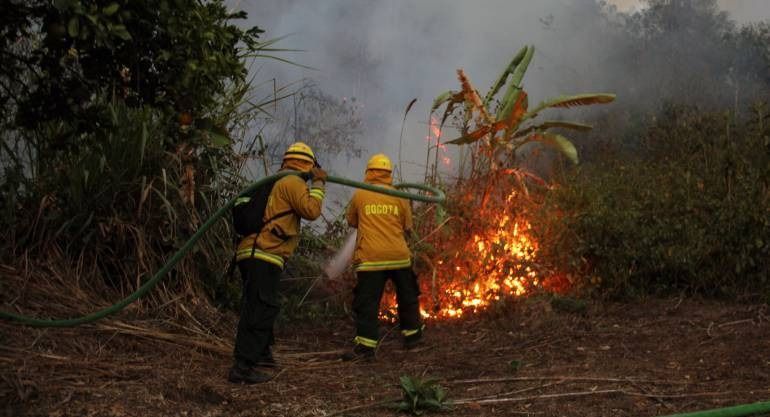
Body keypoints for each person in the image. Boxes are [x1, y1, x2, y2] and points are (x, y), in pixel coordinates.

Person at [228, 142, 327, 384]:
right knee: (261, 308)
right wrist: (319, 183)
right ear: (309, 165)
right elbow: (312, 210)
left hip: (250, 252)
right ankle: (243, 368)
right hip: (265, 252)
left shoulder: (272, 181)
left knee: (260, 305)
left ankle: (261, 353)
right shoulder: (292, 182)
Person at [343, 153, 424, 361]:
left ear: (368, 172)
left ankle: (366, 347)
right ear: (390, 174)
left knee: (368, 303)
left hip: (371, 259)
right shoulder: (399, 195)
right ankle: (413, 339)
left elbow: (351, 221)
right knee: (407, 297)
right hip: (398, 256)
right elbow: (407, 226)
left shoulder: (361, 194)